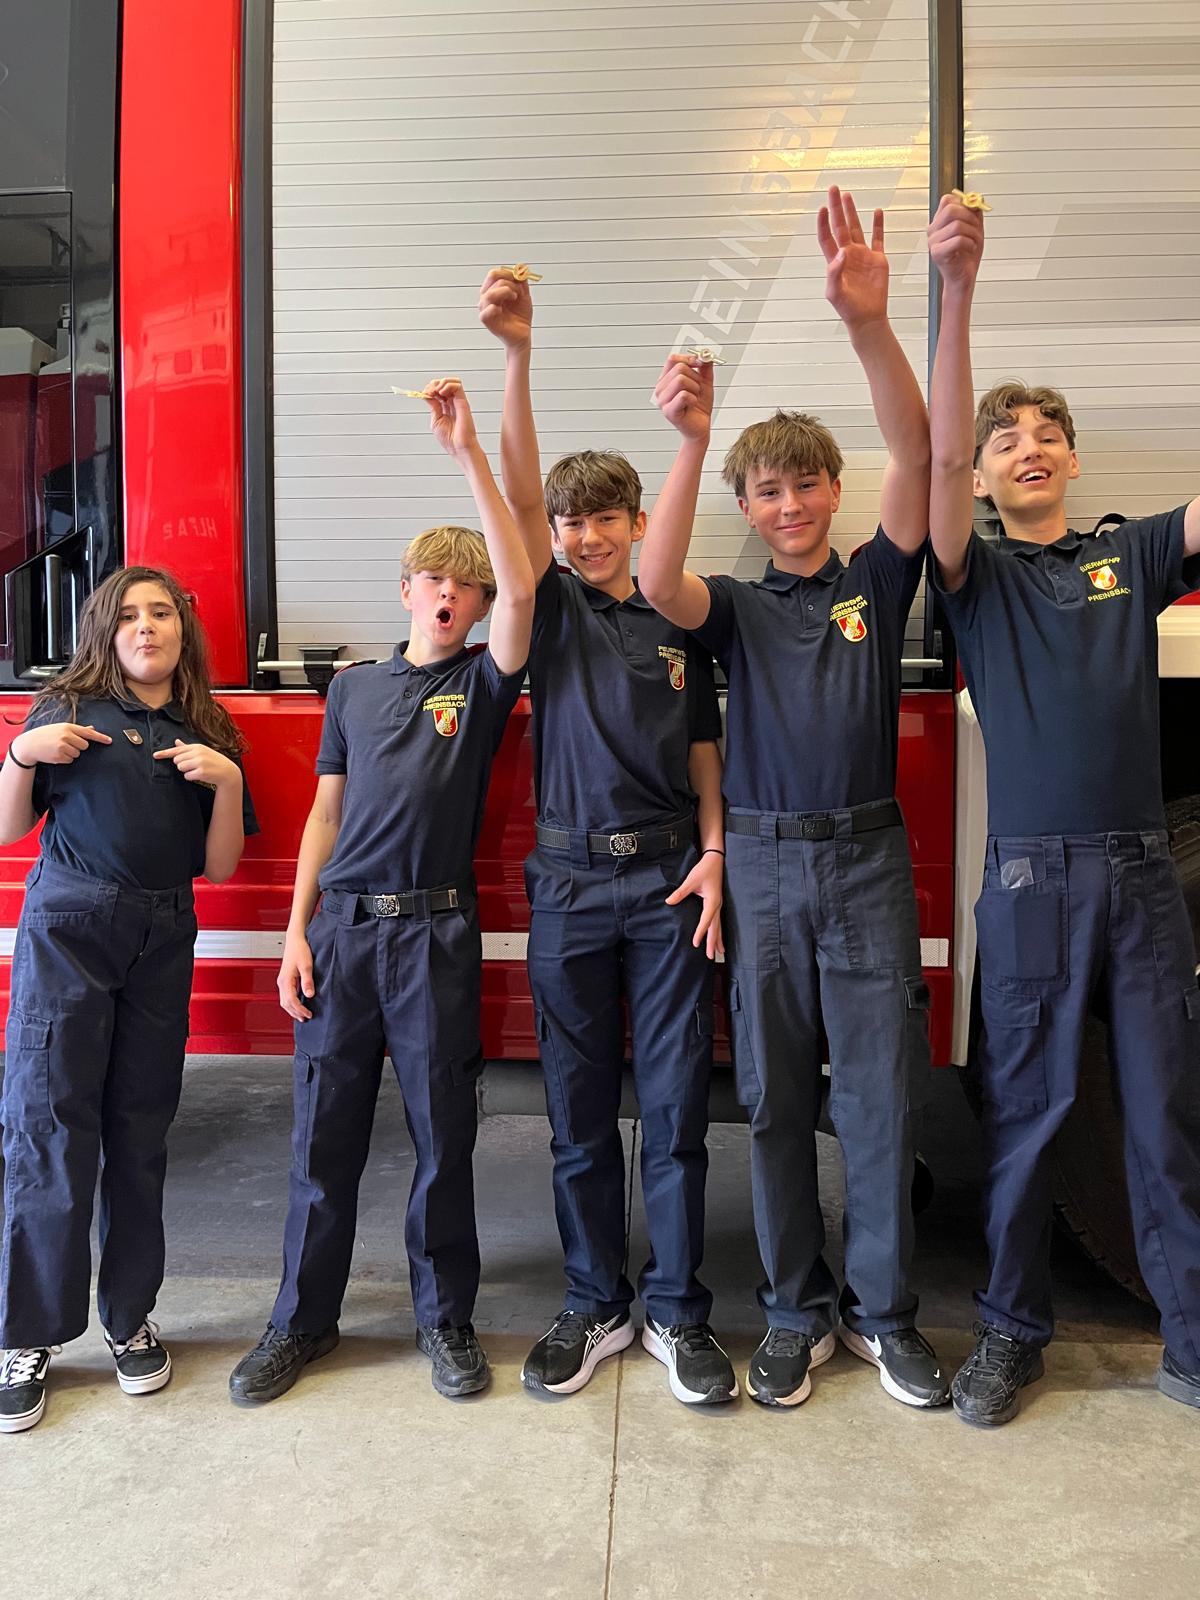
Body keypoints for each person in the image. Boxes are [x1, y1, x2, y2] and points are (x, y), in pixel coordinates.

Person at [638, 187, 947, 1410]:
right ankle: (791, 1312)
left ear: (831, 489)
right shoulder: (734, 609)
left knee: (878, 1101)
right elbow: (654, 579)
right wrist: (691, 441)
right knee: (772, 1102)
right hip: (764, 868)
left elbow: (919, 457)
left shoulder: (876, 583)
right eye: (768, 491)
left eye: (807, 483)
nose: (792, 504)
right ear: (750, 509)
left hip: (866, 862)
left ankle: (883, 1314)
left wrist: (870, 325)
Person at [926, 191, 1200, 1424]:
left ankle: (1191, 1340)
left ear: (1075, 461)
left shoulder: (1129, 554)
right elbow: (935, 459)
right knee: (1028, 1121)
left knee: (1164, 1118)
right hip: (1032, 881)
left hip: (1141, 877)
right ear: (985, 476)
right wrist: (958, 292)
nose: (1027, 446)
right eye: (1006, 439)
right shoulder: (975, 577)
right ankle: (1009, 1335)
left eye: (1048, 434)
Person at [229, 379, 533, 1405]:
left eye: (468, 586)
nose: (451, 594)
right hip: (344, 938)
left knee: (444, 1136)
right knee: (324, 1136)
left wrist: (468, 456)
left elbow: (523, 595)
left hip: (435, 936)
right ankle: (300, 1321)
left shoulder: (481, 685)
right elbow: (324, 816)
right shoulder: (353, 688)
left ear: (479, 607)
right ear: (406, 589)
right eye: (434, 579)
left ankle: (444, 1320)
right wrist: (296, 933)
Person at [478, 266, 735, 1405]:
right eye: (570, 520)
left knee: (674, 1115)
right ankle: (594, 1301)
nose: (583, 534)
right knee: (579, 1117)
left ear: (638, 523)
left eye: (603, 518)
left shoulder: (681, 617)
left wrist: (715, 855)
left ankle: (676, 1310)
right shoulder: (552, 609)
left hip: (671, 882)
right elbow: (517, 495)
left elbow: (705, 755)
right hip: (572, 886)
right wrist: (518, 355)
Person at [0, 566, 255, 1434]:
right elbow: (9, 828)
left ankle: (129, 1319)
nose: (147, 627)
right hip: (69, 930)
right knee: (49, 1125)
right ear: (105, 632)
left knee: (140, 1133)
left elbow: (220, 866)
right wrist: (20, 755)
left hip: (163, 934)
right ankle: (29, 1334)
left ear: (183, 630)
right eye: (129, 616)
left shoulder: (209, 726)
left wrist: (227, 781)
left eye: (162, 613)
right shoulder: (66, 710)